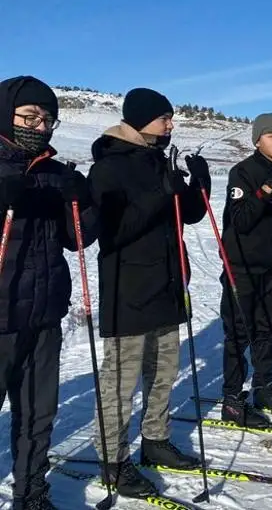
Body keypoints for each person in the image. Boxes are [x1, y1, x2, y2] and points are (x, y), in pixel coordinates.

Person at [88, 88, 209, 497]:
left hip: (167, 285)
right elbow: (113, 232)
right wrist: (162, 194)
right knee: (120, 382)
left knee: (163, 373)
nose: (170, 124)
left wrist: (198, 184)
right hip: (129, 290)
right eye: (164, 118)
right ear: (140, 120)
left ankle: (155, 440)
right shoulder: (109, 167)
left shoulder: (158, 159)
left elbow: (187, 214)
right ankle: (113, 459)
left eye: (171, 118)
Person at [0, 76, 96, 509]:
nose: (39, 126)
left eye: (47, 119)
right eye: (30, 116)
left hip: (44, 314)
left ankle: (32, 492)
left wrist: (83, 202)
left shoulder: (56, 173)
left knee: (38, 414)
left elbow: (77, 239)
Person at [218, 113, 272, 427]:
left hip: (269, 263)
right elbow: (242, 220)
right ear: (258, 140)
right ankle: (232, 398)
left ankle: (263, 387)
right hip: (240, 265)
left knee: (266, 329)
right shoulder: (242, 172)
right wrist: (269, 187)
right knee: (238, 332)